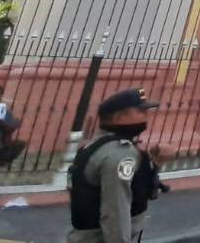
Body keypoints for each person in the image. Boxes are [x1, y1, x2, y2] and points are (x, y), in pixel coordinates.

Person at [67, 88, 172, 243]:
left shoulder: (97, 145)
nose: (146, 116)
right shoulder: (120, 154)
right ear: (119, 117)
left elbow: (138, 187)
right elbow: (115, 210)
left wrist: (156, 163)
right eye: (141, 111)